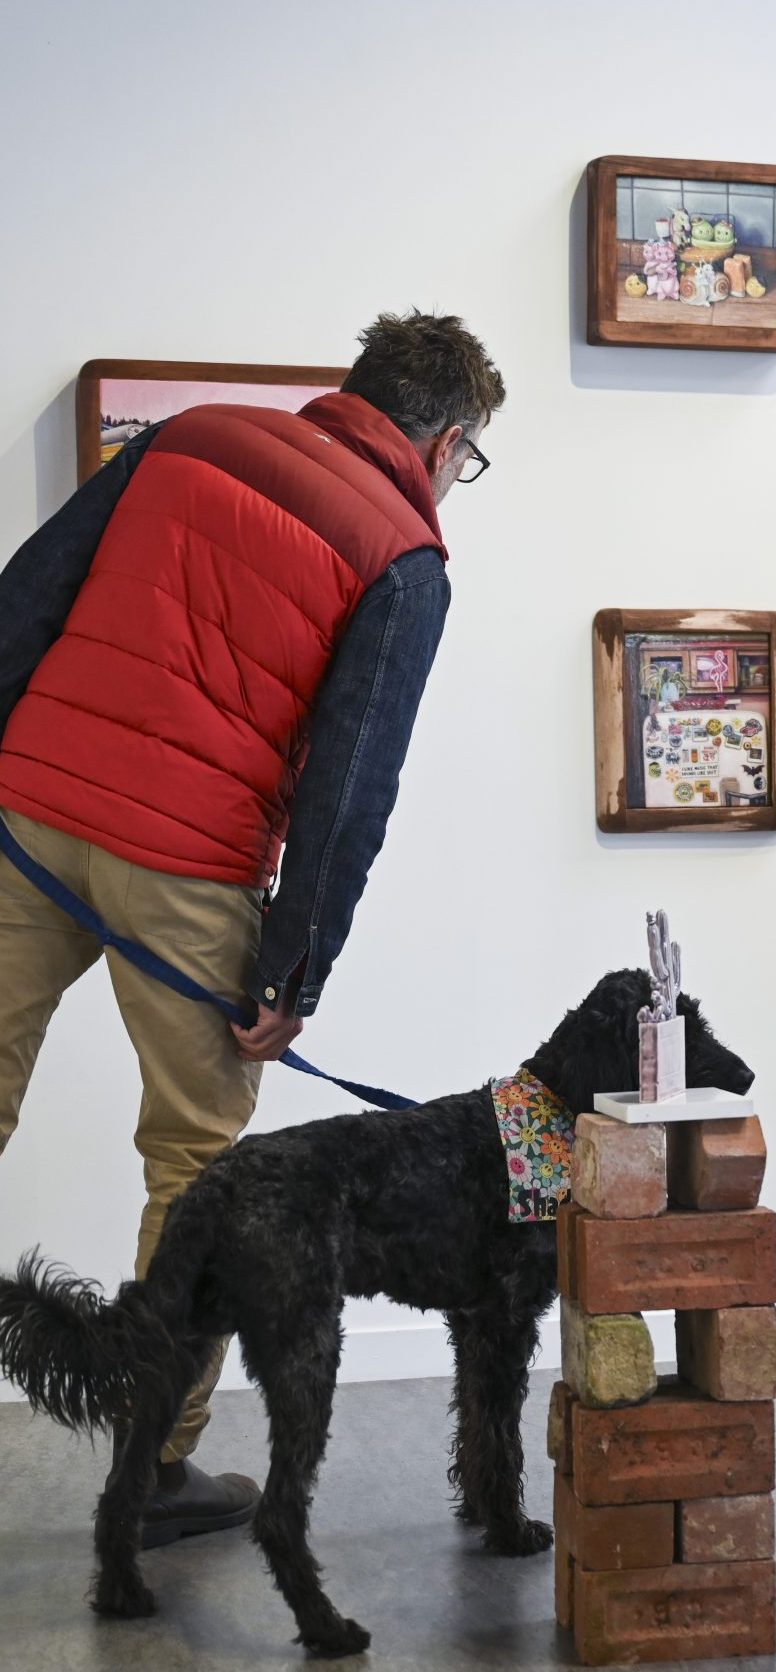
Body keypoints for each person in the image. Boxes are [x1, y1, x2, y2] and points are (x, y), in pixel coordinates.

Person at [0, 310, 504, 1544]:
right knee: (198, 1163)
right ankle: (153, 1467)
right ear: (442, 442)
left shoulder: (185, 440)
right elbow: (349, 785)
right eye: (468, 462)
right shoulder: (403, 556)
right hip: (186, 867)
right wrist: (297, 967)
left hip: (26, 814)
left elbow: (25, 601)